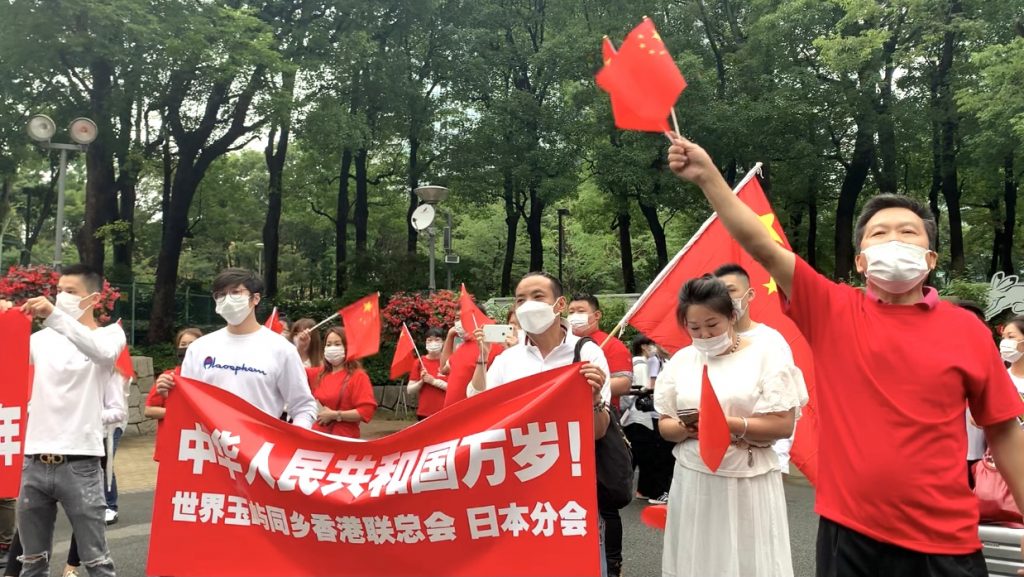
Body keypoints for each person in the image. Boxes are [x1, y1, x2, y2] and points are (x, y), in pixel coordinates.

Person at [668, 133, 1024, 576]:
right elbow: (763, 246)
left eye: (908, 232)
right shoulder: (833, 310)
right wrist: (708, 177)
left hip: (946, 541)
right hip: (850, 536)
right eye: (879, 233)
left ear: (930, 258)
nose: (894, 239)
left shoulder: (966, 329)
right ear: (860, 260)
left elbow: (1004, 431)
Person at [654, 275, 804, 576]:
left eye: (712, 325)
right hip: (696, 477)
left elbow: (783, 425)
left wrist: (727, 424)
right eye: (694, 328)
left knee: (751, 556)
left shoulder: (767, 355)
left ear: (731, 316)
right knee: (698, 557)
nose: (705, 335)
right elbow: (665, 425)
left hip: (749, 477)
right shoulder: (682, 361)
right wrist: (686, 428)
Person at [469, 271, 612, 576]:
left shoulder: (586, 353)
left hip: (574, 487)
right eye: (520, 299)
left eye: (537, 297)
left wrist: (595, 397)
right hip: (517, 487)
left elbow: (598, 431)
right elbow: (481, 415)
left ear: (559, 304)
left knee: (575, 562)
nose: (527, 305)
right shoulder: (508, 361)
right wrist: (482, 358)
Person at [0, 263, 122, 577]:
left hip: (80, 463)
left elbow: (101, 353)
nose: (61, 297)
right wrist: (4, 321)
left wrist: (54, 315)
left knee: (97, 561)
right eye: (58, 291)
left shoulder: (111, 335)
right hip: (34, 460)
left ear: (94, 299)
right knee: (31, 560)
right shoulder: (40, 341)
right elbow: (7, 362)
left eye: (71, 292)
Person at [155, 268, 317, 429]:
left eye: (235, 292)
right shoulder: (199, 348)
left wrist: (296, 439)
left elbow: (303, 406)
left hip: (258, 449)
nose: (228, 299)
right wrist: (171, 393)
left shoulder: (282, 350)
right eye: (221, 294)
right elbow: (187, 402)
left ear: (255, 298)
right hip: (208, 448)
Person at [713, 263, 803, 474]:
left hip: (758, 459)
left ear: (750, 294)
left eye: (731, 290)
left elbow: (784, 408)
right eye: (719, 293)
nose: (726, 298)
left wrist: (779, 460)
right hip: (714, 461)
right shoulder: (709, 342)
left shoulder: (770, 342)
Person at [567, 293, 633, 577]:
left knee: (604, 500)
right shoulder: (562, 345)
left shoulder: (610, 345)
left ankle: (613, 562)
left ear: (597, 316)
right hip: (565, 431)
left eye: (581, 310)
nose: (574, 315)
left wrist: (594, 383)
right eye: (571, 310)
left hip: (601, 426)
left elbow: (625, 383)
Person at [621, 335, 674, 504]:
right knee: (651, 456)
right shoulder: (643, 364)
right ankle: (655, 492)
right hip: (641, 416)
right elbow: (645, 390)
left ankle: (643, 490)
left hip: (635, 417)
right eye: (652, 344)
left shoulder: (635, 363)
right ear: (644, 347)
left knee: (639, 456)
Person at [144, 328, 203, 460]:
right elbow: (149, 410)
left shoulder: (209, 379)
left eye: (192, 344)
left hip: (201, 448)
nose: (187, 348)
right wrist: (178, 413)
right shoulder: (168, 378)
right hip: (172, 444)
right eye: (183, 345)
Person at [311, 327, 377, 438]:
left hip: (344, 440)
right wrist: (299, 342)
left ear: (347, 347)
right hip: (317, 437)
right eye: (328, 344)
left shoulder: (358, 376)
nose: (332, 348)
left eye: (337, 344)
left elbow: (366, 411)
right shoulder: (318, 373)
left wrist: (335, 415)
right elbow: (293, 367)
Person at [407, 328, 447, 421]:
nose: (433, 343)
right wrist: (421, 382)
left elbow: (454, 387)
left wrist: (433, 381)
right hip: (424, 413)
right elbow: (410, 390)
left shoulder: (449, 361)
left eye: (437, 340)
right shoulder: (419, 362)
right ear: (425, 342)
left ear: (443, 342)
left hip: (445, 411)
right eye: (429, 340)